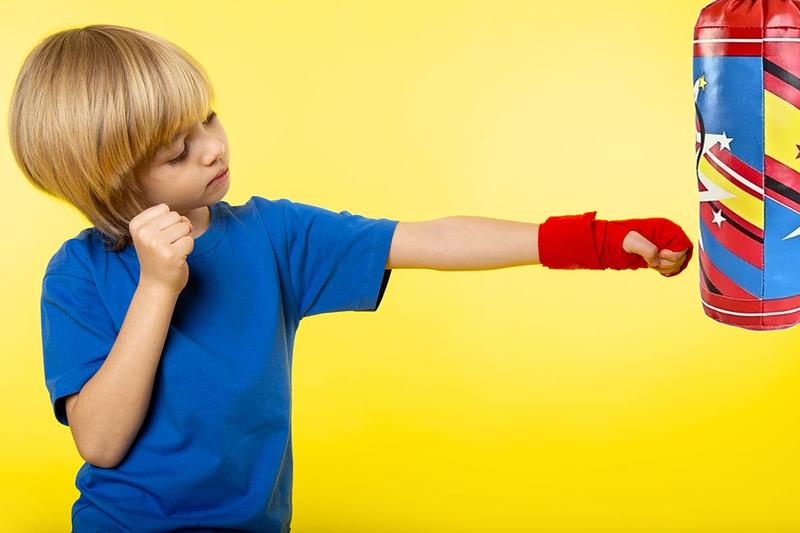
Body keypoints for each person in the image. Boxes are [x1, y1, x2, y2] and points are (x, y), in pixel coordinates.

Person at [8, 24, 693, 533]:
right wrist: (158, 287)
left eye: (208, 117)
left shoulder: (272, 236)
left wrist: (595, 240)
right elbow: (99, 441)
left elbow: (432, 237)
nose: (213, 146)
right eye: (179, 149)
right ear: (113, 178)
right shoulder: (77, 274)